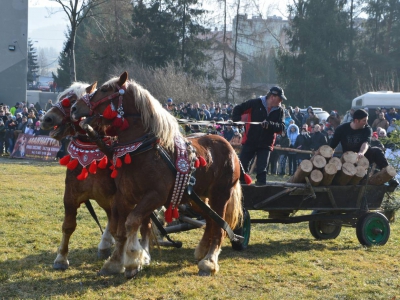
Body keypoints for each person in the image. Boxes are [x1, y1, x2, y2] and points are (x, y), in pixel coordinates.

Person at [232, 86, 286, 185]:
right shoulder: (255, 103)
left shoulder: (280, 110)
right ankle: (241, 186)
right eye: (280, 98)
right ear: (273, 97)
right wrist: (237, 120)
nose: (281, 101)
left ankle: (261, 190)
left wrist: (270, 125)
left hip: (266, 144)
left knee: (262, 170)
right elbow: (238, 109)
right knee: (242, 165)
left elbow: (281, 128)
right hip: (250, 140)